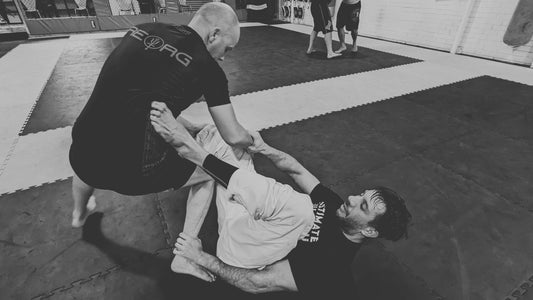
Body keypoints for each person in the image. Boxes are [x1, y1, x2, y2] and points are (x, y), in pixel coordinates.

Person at [69, 2, 255, 282]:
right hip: (129, 170)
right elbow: (233, 136)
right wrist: (256, 140)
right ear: (214, 35)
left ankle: (78, 215)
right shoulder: (208, 69)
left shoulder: (143, 30)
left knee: (93, 147)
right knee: (210, 172)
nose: (225, 58)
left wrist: (189, 126)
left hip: (81, 149)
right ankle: (185, 254)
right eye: (228, 49)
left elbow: (139, 100)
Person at [150, 102, 413, 297]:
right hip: (248, 222)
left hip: (240, 254)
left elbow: (258, 282)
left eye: (363, 205)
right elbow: (296, 169)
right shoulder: (337, 207)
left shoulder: (331, 268)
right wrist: (262, 147)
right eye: (362, 194)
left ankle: (188, 145)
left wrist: (203, 258)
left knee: (302, 210)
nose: (353, 197)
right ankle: (198, 133)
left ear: (369, 229)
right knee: (228, 143)